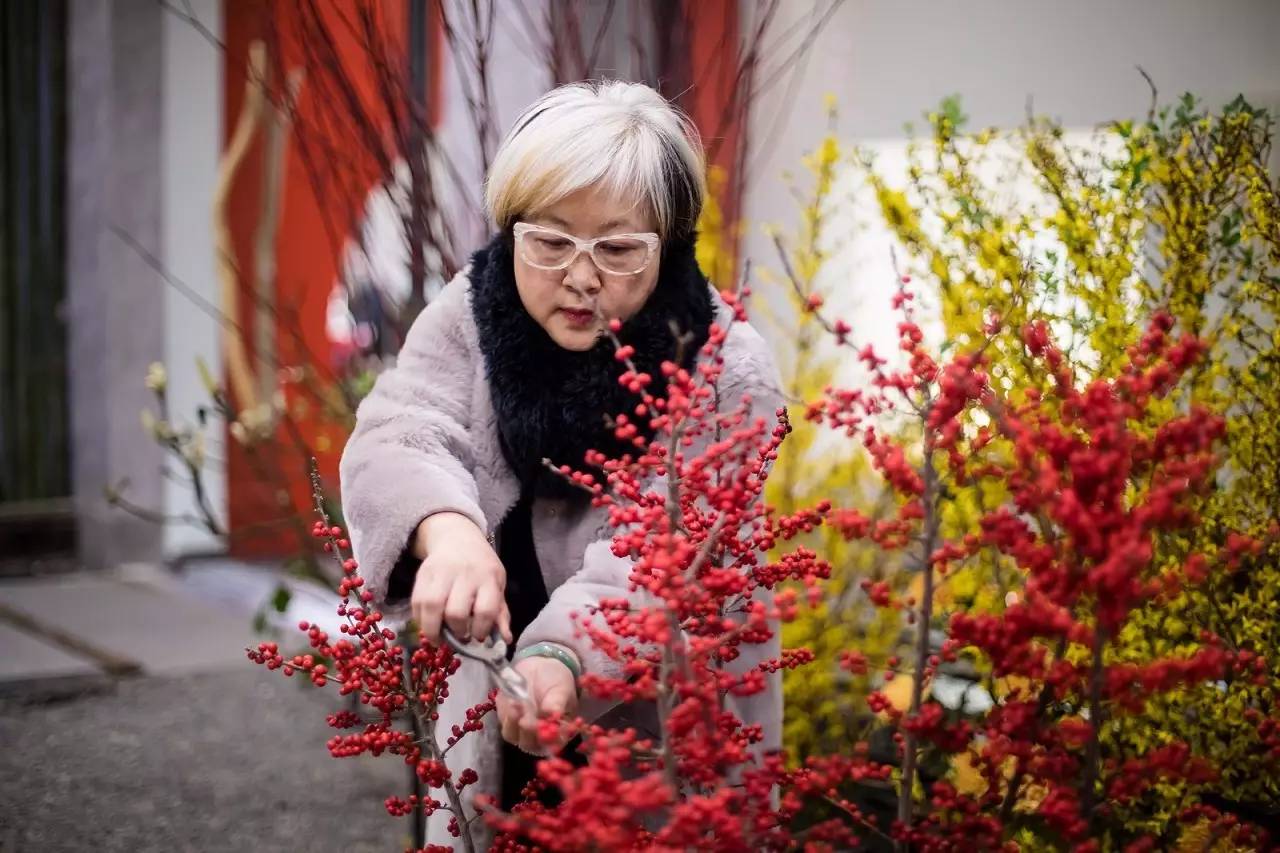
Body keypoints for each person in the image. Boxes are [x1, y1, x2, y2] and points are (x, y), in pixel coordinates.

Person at [340, 79, 783, 846]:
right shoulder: (472, 314)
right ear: (513, 229)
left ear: (670, 246)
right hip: (497, 738)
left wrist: (562, 654)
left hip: (658, 743)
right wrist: (446, 530)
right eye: (549, 242)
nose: (581, 276)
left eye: (617, 249)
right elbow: (402, 424)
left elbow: (666, 559)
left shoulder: (724, 366)